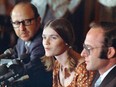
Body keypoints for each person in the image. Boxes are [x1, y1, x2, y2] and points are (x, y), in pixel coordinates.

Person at [41, 18, 95, 87]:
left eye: (53, 38)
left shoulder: (83, 68)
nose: (46, 42)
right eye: (44, 37)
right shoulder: (57, 64)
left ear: (66, 41)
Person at [10, 1, 52, 87]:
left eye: (27, 21)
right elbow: (12, 56)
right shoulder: (21, 40)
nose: (22, 28)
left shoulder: (42, 42)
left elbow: (28, 70)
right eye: (17, 23)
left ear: (38, 21)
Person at [81, 21, 116, 87]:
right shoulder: (99, 73)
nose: (82, 54)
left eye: (89, 48)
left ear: (110, 52)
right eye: (84, 47)